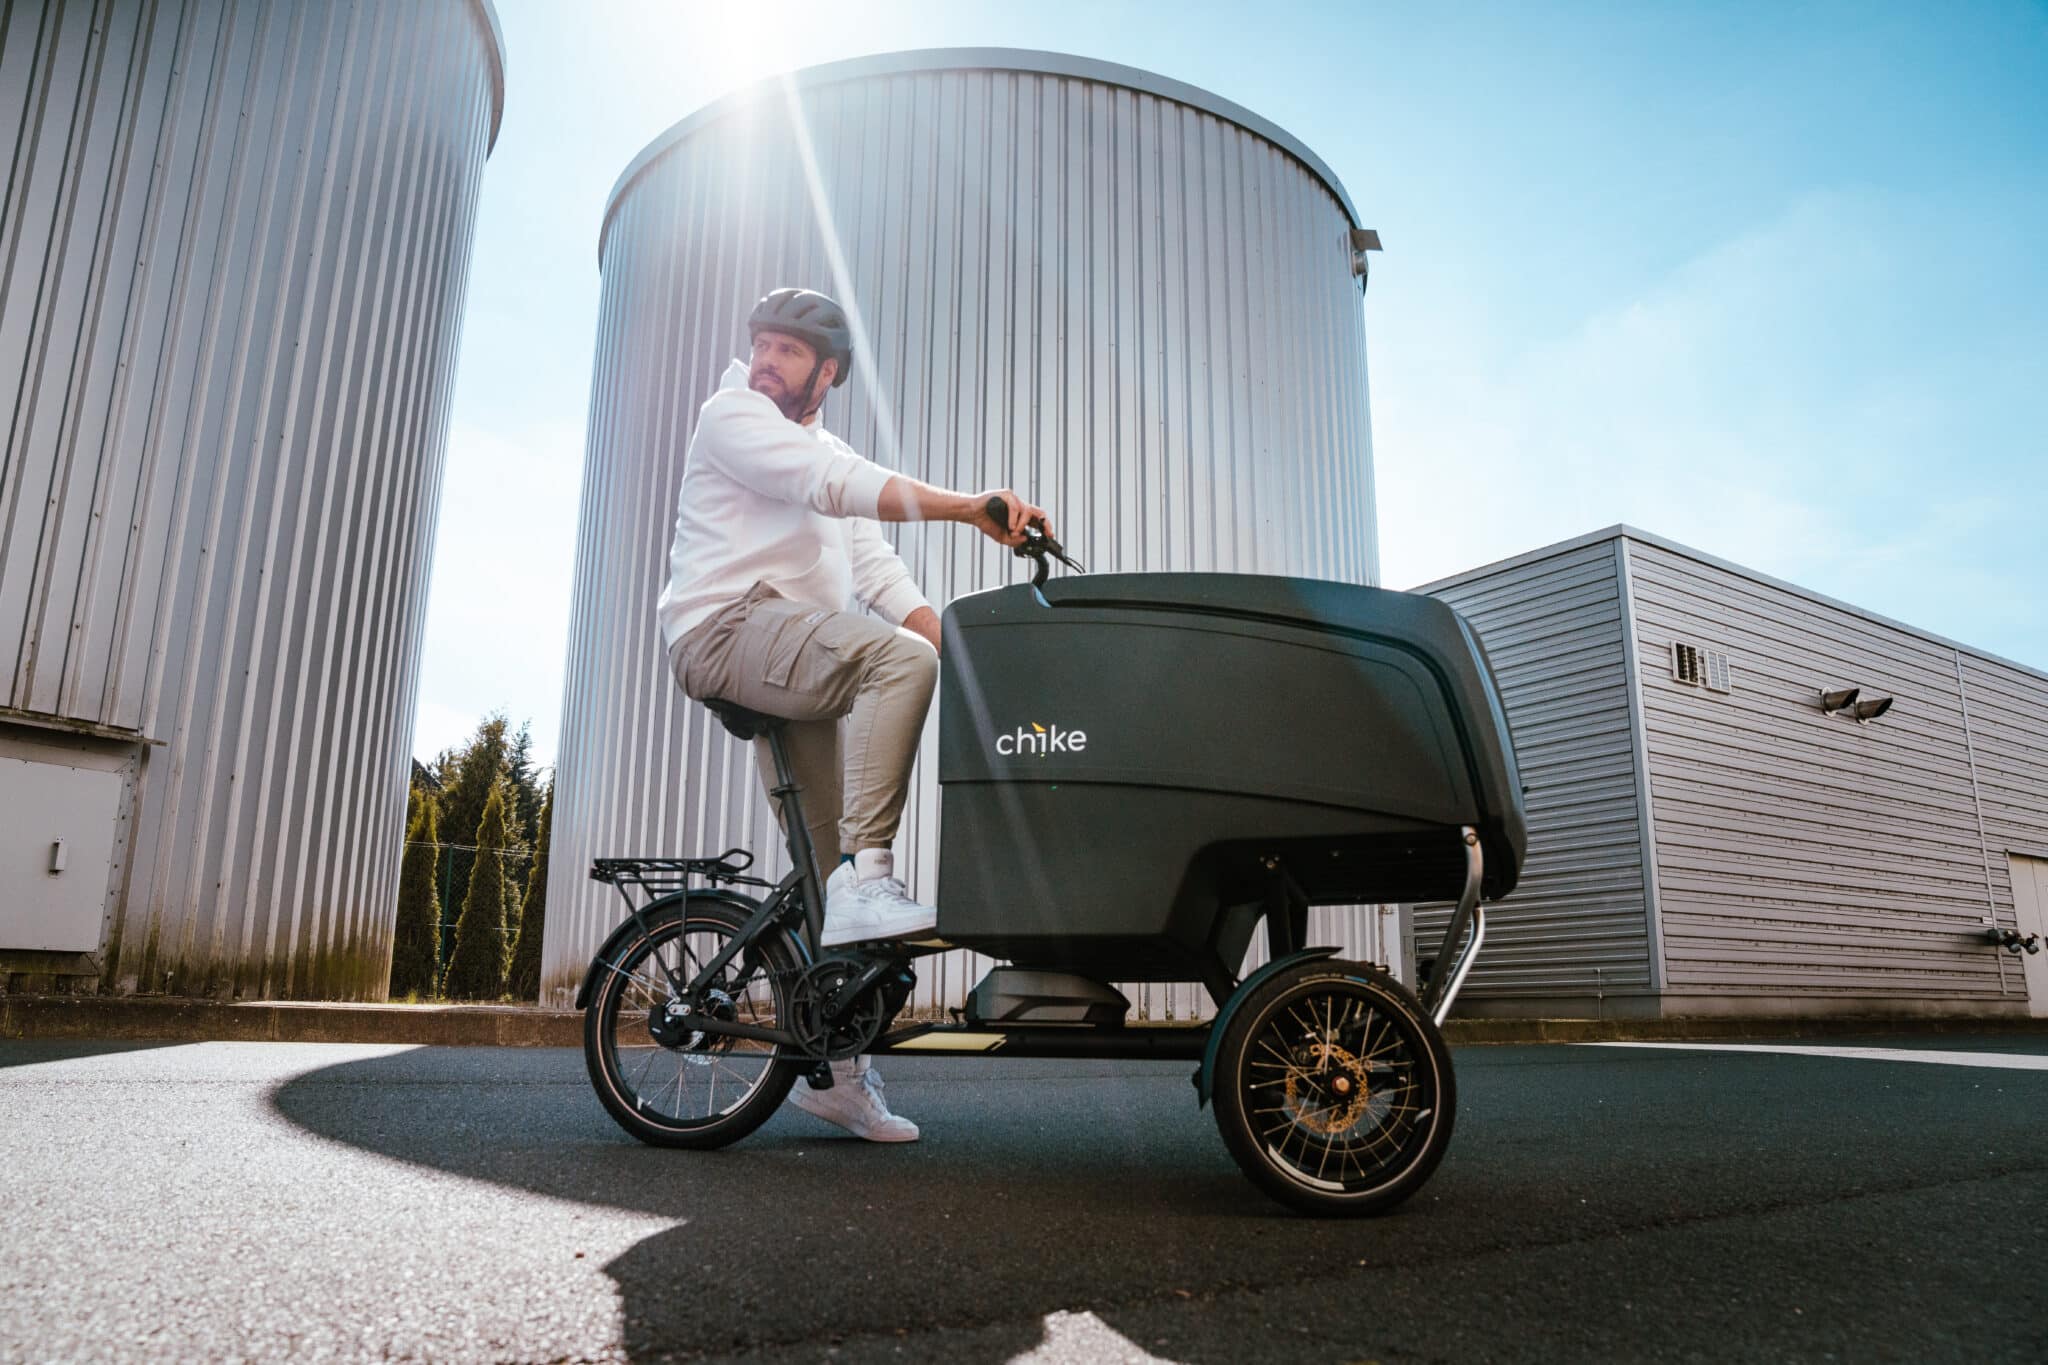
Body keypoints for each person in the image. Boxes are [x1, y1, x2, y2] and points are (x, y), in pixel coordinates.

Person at [656, 287, 1051, 1143]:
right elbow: (832, 487)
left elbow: (879, 574)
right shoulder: (732, 414)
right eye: (762, 344)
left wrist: (977, 664)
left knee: (826, 873)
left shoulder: (825, 445)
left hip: (787, 645)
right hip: (725, 627)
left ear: (826, 372)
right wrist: (969, 507)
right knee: (896, 663)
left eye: (787, 351)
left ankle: (836, 1076)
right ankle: (870, 878)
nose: (766, 360)